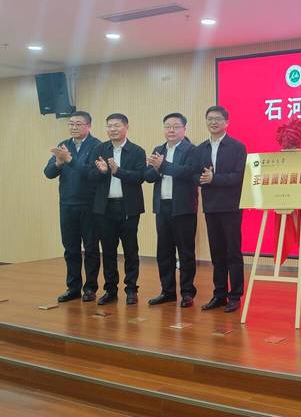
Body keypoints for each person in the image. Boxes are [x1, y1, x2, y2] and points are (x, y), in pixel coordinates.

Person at [89, 113, 146, 305]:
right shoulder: (99, 149)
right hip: (104, 208)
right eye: (109, 126)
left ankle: (131, 290)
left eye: (117, 125)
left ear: (126, 127)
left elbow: (140, 177)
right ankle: (110, 290)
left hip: (128, 207)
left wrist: (118, 171)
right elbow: (89, 176)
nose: (112, 129)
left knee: (130, 250)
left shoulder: (136, 151)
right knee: (108, 251)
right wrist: (102, 172)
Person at [44, 111, 101, 302]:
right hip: (67, 204)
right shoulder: (64, 145)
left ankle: (90, 288)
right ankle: (73, 287)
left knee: (91, 248)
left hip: (89, 205)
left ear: (88, 126)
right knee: (70, 248)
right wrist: (59, 163)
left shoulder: (97, 146)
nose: (73, 127)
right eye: (71, 124)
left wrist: (70, 160)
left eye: (78, 124)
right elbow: (48, 173)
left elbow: (92, 174)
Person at [195, 106, 247, 313]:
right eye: (210, 119)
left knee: (233, 252)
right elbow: (194, 174)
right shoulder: (200, 148)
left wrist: (214, 178)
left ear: (227, 122)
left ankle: (235, 295)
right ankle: (219, 294)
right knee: (217, 253)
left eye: (217, 119)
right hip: (211, 206)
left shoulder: (237, 147)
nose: (213, 122)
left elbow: (239, 176)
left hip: (231, 206)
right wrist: (202, 178)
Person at [144, 113, 199, 308]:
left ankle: (187, 292)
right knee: (164, 252)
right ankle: (167, 291)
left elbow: (188, 172)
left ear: (184, 129)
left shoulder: (191, 150)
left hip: (183, 208)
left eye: (176, 126)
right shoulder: (159, 150)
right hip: (162, 206)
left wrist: (163, 166)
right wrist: (156, 169)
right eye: (168, 126)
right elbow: (148, 176)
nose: (171, 130)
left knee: (185, 252)